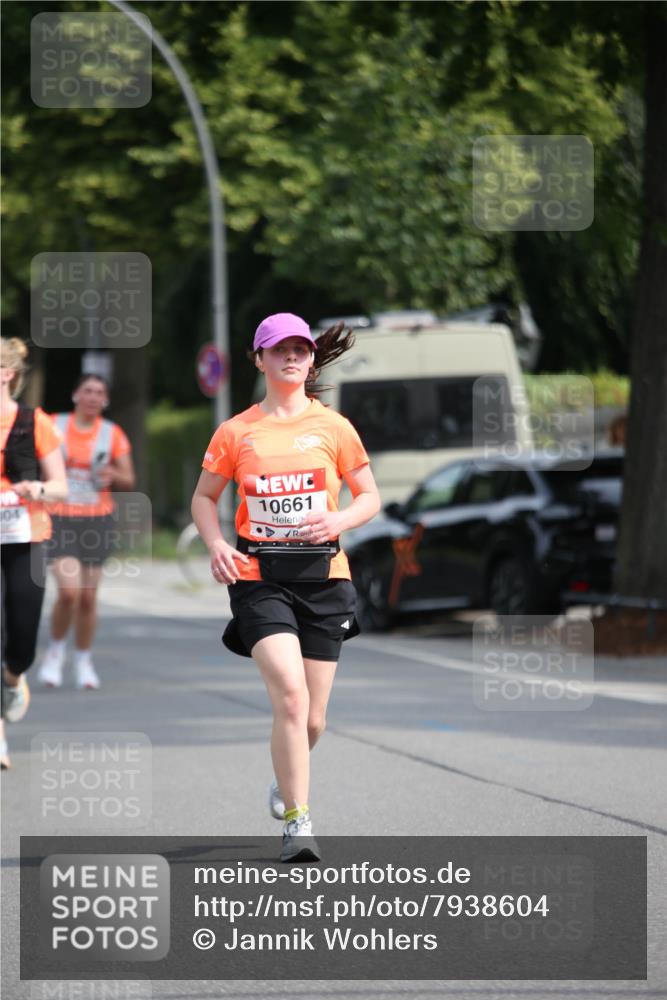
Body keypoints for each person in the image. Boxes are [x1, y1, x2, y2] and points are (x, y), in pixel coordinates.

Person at [192, 313, 380, 861]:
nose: (291, 357)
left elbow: (368, 496)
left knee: (312, 718)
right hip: (259, 579)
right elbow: (204, 498)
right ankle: (299, 821)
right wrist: (217, 544)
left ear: (312, 359)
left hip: (324, 579)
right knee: (291, 698)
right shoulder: (236, 431)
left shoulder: (335, 427)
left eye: (300, 349)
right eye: (278, 350)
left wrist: (339, 522)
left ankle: (285, 782)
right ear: (260, 359)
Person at [37, 373, 135, 690]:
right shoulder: (53, 425)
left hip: (97, 519)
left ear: (105, 400)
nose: (93, 397)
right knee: (69, 592)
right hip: (59, 517)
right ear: (75, 394)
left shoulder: (112, 434)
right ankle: (54, 653)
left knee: (88, 599)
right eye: (88, 391)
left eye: (100, 393)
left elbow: (128, 480)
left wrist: (112, 473)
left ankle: (83, 659)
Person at [0, 338, 67, 769]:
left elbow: (62, 485)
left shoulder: (34, 422)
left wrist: (36, 488)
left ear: (7, 374)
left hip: (27, 535)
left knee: (22, 637)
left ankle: (13, 677)